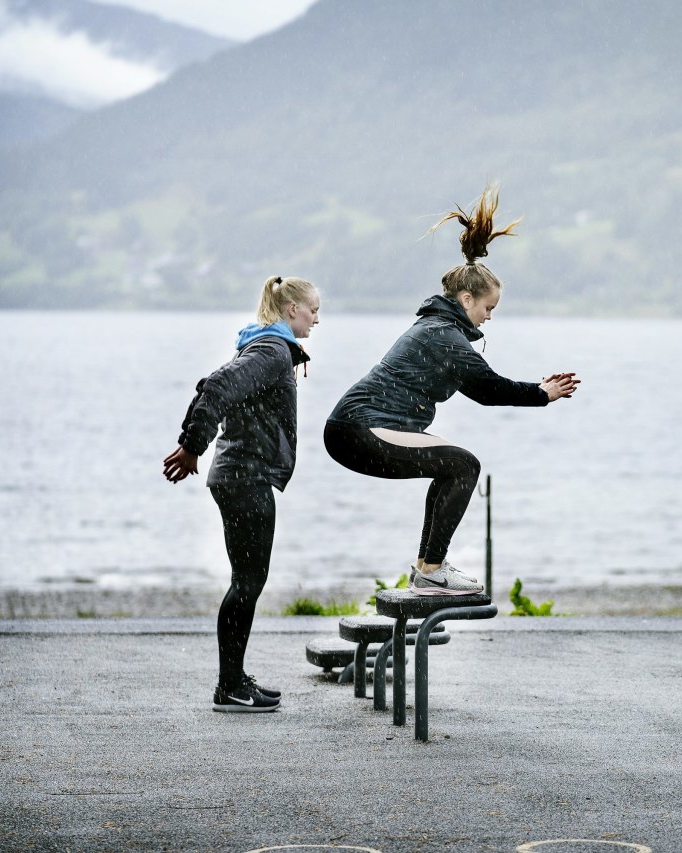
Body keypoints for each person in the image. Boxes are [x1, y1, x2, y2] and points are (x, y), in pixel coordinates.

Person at [325, 185, 579, 596]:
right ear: (466, 299)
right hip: (358, 428)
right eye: (488, 308)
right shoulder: (443, 335)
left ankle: (428, 568)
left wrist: (538, 391)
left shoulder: (439, 331)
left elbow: (478, 391)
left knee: (453, 465)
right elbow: (490, 387)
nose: (489, 317)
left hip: (356, 428)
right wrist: (541, 393)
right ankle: (432, 570)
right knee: (463, 465)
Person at [163, 275, 321, 712]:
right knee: (247, 582)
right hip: (244, 479)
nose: (316, 318)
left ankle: (233, 680)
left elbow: (216, 387)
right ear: (291, 310)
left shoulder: (262, 347)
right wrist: (192, 445)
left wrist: (193, 443)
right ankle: (229, 686)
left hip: (241, 476)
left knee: (247, 581)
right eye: (313, 310)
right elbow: (216, 387)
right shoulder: (271, 351)